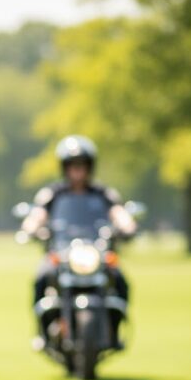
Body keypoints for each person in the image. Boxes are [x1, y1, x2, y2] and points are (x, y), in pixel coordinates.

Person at [22, 135, 136, 337]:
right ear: (64, 167)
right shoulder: (53, 193)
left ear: (90, 167)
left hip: (96, 250)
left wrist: (127, 226)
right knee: (41, 278)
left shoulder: (102, 193)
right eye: (72, 165)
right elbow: (38, 214)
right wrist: (31, 227)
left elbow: (119, 212)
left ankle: (114, 328)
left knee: (119, 280)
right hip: (61, 250)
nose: (77, 170)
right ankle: (43, 330)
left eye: (82, 165)